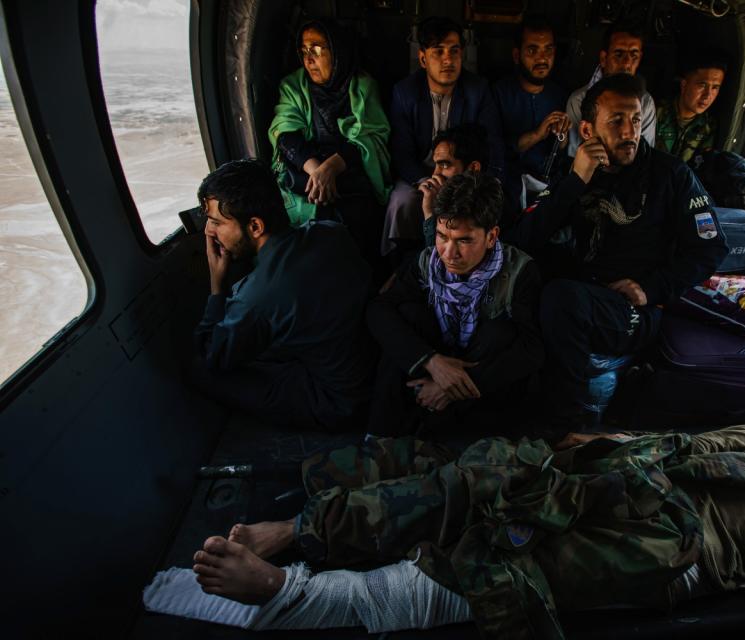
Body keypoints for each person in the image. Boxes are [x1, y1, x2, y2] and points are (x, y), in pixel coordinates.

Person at [143, 427, 745, 637]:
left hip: (679, 550)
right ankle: (306, 525)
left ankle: (292, 594)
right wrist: (597, 445)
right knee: (484, 475)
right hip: (636, 481)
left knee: (506, 561)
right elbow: (690, 445)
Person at [518, 73, 727, 422]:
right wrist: (576, 180)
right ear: (587, 131)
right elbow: (525, 239)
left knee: (561, 299)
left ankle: (568, 426)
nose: (629, 132)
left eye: (634, 120)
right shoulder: (579, 171)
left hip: (635, 309)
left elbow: (710, 248)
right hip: (587, 291)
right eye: (616, 121)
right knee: (526, 275)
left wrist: (651, 288)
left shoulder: (671, 175)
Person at [191, 160, 374, 430]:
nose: (209, 231)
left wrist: (217, 285)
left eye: (217, 222)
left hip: (337, 401)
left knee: (201, 371)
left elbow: (212, 355)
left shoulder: (256, 297)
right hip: (369, 368)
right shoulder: (331, 232)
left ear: (254, 226)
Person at [366, 171, 542, 435]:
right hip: (429, 376)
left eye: (464, 240)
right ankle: (379, 435)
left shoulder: (519, 272)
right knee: (407, 315)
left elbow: (531, 351)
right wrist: (432, 363)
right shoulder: (428, 263)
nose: (449, 253)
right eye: (442, 236)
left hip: (482, 396)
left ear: (491, 237)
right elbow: (379, 310)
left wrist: (452, 386)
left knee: (500, 333)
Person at [268, 20, 392, 266]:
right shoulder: (293, 86)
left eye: (316, 49)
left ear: (337, 52)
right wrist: (317, 170)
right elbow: (285, 134)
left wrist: (331, 168)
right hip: (307, 168)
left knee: (355, 217)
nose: (309, 59)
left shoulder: (362, 87)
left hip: (350, 168)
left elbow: (370, 138)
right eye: (304, 52)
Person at [382, 16, 505, 257]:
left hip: (463, 174)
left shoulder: (477, 90)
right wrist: (424, 181)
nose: (448, 59)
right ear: (423, 58)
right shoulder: (405, 93)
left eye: (454, 50)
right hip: (420, 173)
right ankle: (397, 264)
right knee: (401, 202)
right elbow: (402, 151)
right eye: (438, 51)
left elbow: (493, 143)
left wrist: (485, 183)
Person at [492, 15, 570, 205]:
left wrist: (562, 139)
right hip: (506, 189)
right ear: (517, 56)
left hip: (548, 189)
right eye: (533, 50)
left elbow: (563, 156)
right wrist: (536, 135)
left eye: (548, 49)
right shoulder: (497, 94)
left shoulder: (561, 95)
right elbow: (495, 149)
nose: (542, 58)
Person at [566, 21, 655, 158]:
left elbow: (644, 156)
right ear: (603, 58)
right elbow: (576, 157)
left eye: (633, 55)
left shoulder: (645, 102)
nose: (626, 63)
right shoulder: (578, 100)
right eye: (619, 54)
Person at [655, 50, 727, 162]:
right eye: (702, 85)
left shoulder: (708, 126)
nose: (707, 95)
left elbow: (701, 166)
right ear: (684, 85)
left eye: (715, 88)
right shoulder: (657, 112)